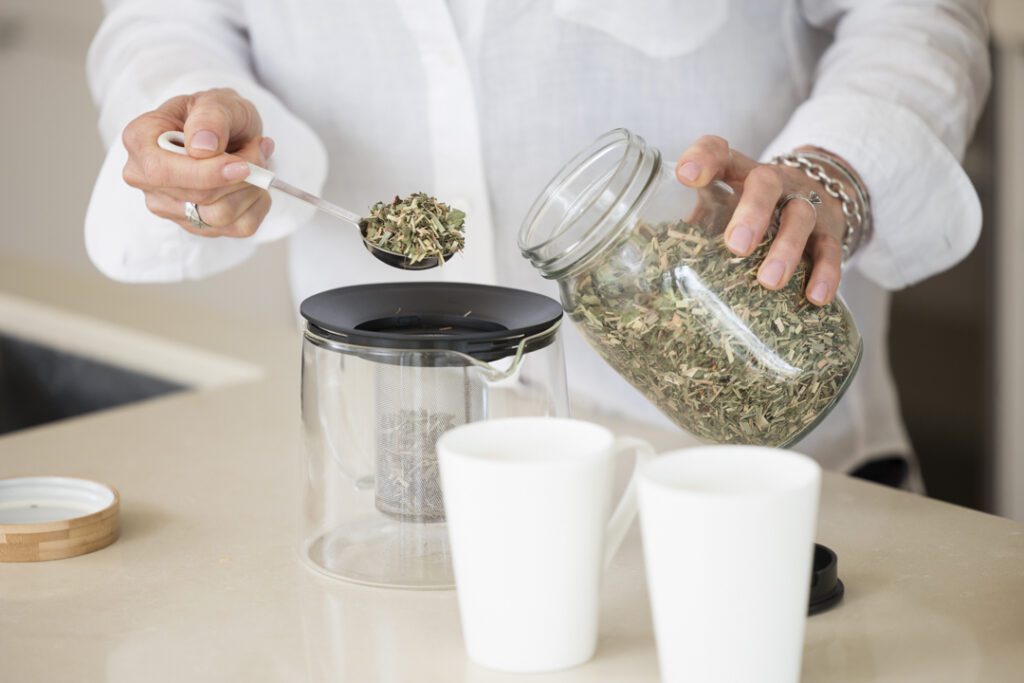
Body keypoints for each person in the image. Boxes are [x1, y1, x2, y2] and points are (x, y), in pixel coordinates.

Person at [85, 0, 989, 490]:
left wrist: (839, 169)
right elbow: (163, 21)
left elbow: (920, 14)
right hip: (397, 486)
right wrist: (191, 116)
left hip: (760, 493)